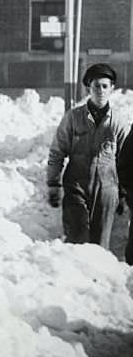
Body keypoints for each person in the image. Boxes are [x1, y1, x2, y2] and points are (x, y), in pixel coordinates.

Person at [46, 63, 127, 248]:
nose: (100, 91)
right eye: (96, 86)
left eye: (105, 86)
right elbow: (57, 152)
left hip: (107, 189)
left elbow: (127, 160)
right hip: (76, 186)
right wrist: (53, 183)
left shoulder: (118, 122)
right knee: (77, 239)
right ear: (88, 88)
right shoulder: (73, 117)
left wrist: (123, 193)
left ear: (112, 89)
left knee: (100, 245)